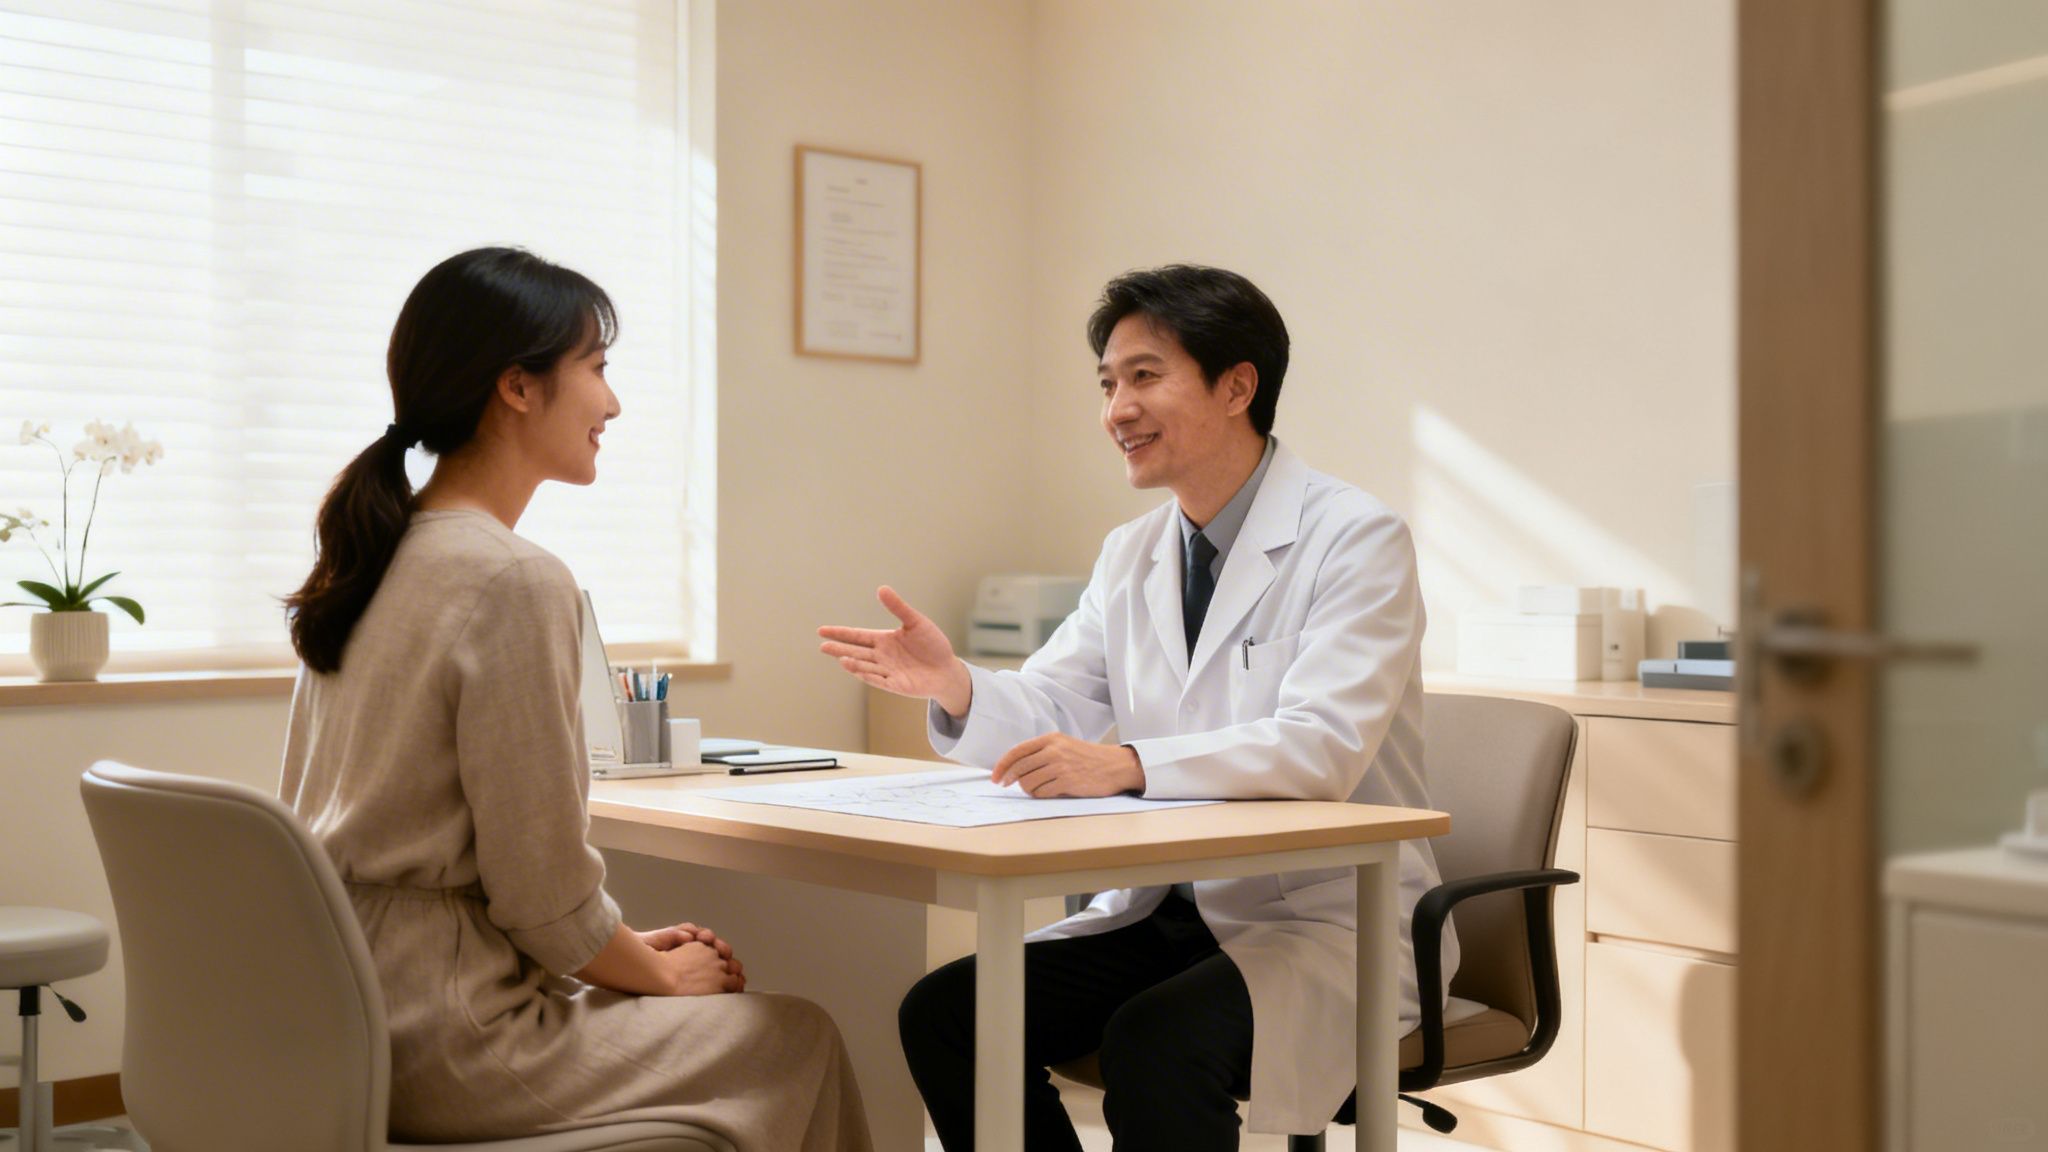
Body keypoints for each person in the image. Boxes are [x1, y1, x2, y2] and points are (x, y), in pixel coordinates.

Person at [818, 264, 1454, 1150]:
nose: (1117, 408)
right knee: (950, 1014)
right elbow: (1056, 700)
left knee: (1155, 1042)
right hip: (1166, 906)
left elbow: (1322, 747)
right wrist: (954, 684)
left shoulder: (1356, 538)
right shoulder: (1133, 553)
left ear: (1239, 386)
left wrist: (1131, 763)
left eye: (1145, 376)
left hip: (1319, 915)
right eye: (1109, 383)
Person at [280, 247, 871, 1151]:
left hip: (342, 1016)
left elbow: (503, 889)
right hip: (452, 1037)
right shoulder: (511, 578)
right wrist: (653, 975)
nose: (613, 402)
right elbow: (541, 894)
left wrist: (624, 951)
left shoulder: (372, 557)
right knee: (795, 1034)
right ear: (518, 388)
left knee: (724, 1054)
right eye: (596, 367)